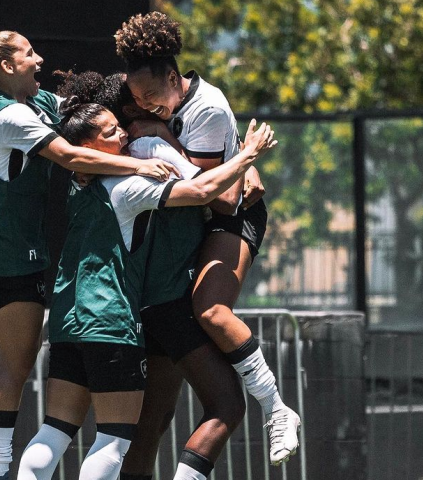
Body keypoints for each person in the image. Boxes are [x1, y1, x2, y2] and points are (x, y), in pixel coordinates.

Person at [0, 23, 180, 480]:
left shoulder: (35, 103)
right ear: (7, 66)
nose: (40, 59)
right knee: (19, 363)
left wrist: (143, 107)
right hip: (3, 251)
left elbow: (86, 121)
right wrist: (144, 160)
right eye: (29, 52)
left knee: (16, 348)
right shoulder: (8, 117)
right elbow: (76, 155)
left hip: (18, 251)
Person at [16, 81, 276, 479]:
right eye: (110, 131)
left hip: (67, 321)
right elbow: (205, 190)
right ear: (87, 149)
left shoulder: (76, 182)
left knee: (55, 430)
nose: (123, 131)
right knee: (114, 440)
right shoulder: (127, 187)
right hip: (111, 322)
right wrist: (247, 156)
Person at [114, 12, 301, 468]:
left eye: (154, 98)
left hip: (230, 219)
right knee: (153, 414)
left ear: (175, 80)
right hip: (180, 240)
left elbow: (222, 199)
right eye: (137, 100)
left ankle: (277, 409)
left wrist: (162, 138)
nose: (144, 107)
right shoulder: (133, 95)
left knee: (212, 309)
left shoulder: (207, 108)